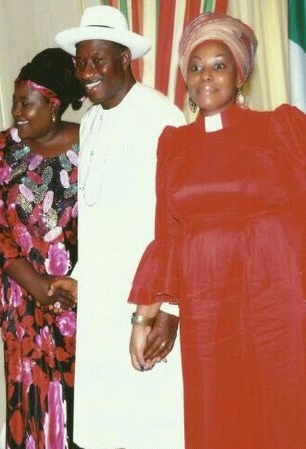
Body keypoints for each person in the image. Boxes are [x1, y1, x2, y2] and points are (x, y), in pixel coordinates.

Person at [128, 12, 305, 449]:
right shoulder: (174, 144)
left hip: (278, 301)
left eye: (219, 65)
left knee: (285, 410)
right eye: (195, 66)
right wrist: (145, 317)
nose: (205, 75)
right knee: (219, 414)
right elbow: (167, 234)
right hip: (208, 306)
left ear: (240, 74)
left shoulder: (280, 128)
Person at [55, 5, 187, 448]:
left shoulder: (160, 117)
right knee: (109, 430)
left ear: (124, 59)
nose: (86, 72)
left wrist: (171, 310)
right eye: (80, 62)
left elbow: (180, 222)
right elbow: (99, 215)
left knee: (153, 425)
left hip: (148, 302)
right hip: (101, 305)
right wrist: (78, 279)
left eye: (98, 60)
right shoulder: (91, 122)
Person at [0, 47, 84, 449]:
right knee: (33, 408)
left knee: (83, 411)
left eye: (26, 103)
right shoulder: (2, 149)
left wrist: (74, 284)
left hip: (81, 300)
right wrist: (36, 284)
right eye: (14, 102)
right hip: (24, 305)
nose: (16, 112)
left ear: (53, 104)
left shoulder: (91, 143)